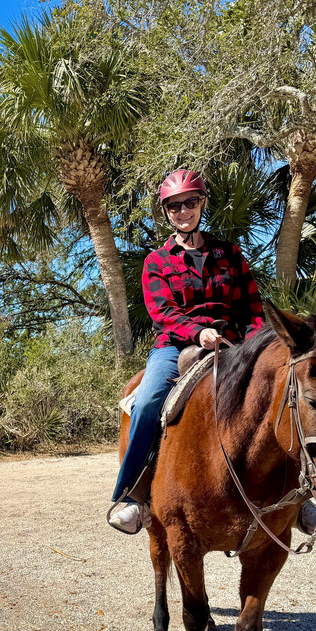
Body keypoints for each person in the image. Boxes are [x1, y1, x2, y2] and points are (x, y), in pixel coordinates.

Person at [108, 169, 264, 534]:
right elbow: (162, 312)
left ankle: (302, 498)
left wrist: (256, 345)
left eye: (190, 203)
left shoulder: (231, 253)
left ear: (202, 204)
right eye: (175, 206)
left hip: (234, 342)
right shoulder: (156, 262)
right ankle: (130, 495)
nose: (183, 211)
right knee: (147, 402)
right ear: (166, 212)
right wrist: (198, 332)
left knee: (282, 390)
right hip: (175, 345)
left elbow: (253, 309)